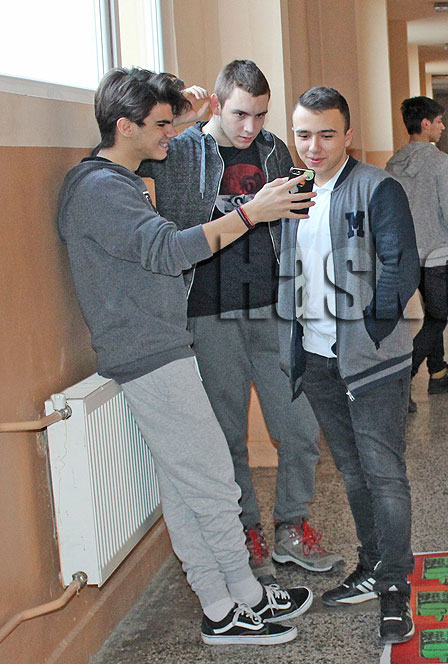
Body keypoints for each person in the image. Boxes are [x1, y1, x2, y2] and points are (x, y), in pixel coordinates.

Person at [58, 67, 315, 645]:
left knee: (184, 486)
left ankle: (230, 599)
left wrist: (183, 113)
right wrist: (252, 214)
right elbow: (171, 251)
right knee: (214, 481)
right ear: (124, 127)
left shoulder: (115, 180)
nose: (170, 134)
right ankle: (232, 605)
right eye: (160, 125)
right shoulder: (99, 188)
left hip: (160, 344)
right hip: (148, 351)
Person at [137, 59, 338, 582]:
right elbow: (128, 161)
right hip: (209, 311)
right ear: (217, 105)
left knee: (299, 427)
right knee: (227, 434)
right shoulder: (182, 150)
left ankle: (292, 526)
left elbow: (293, 221)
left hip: (273, 308)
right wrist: (178, 118)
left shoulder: (273, 150)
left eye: (260, 114)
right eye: (240, 114)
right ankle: (246, 530)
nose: (251, 127)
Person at [278, 86, 420, 645]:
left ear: (348, 135)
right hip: (316, 360)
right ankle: (372, 564)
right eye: (303, 134)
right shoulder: (291, 192)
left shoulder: (377, 188)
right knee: (354, 472)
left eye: (326, 134)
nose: (313, 146)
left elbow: (401, 264)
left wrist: (372, 330)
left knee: (384, 474)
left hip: (372, 361)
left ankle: (395, 589)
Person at [385, 96, 448, 412]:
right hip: (438, 254)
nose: (442, 127)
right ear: (425, 124)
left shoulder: (393, 163)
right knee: (437, 319)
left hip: (407, 254)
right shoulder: (440, 161)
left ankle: (438, 372)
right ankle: (401, 379)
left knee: (431, 315)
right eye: (438, 122)